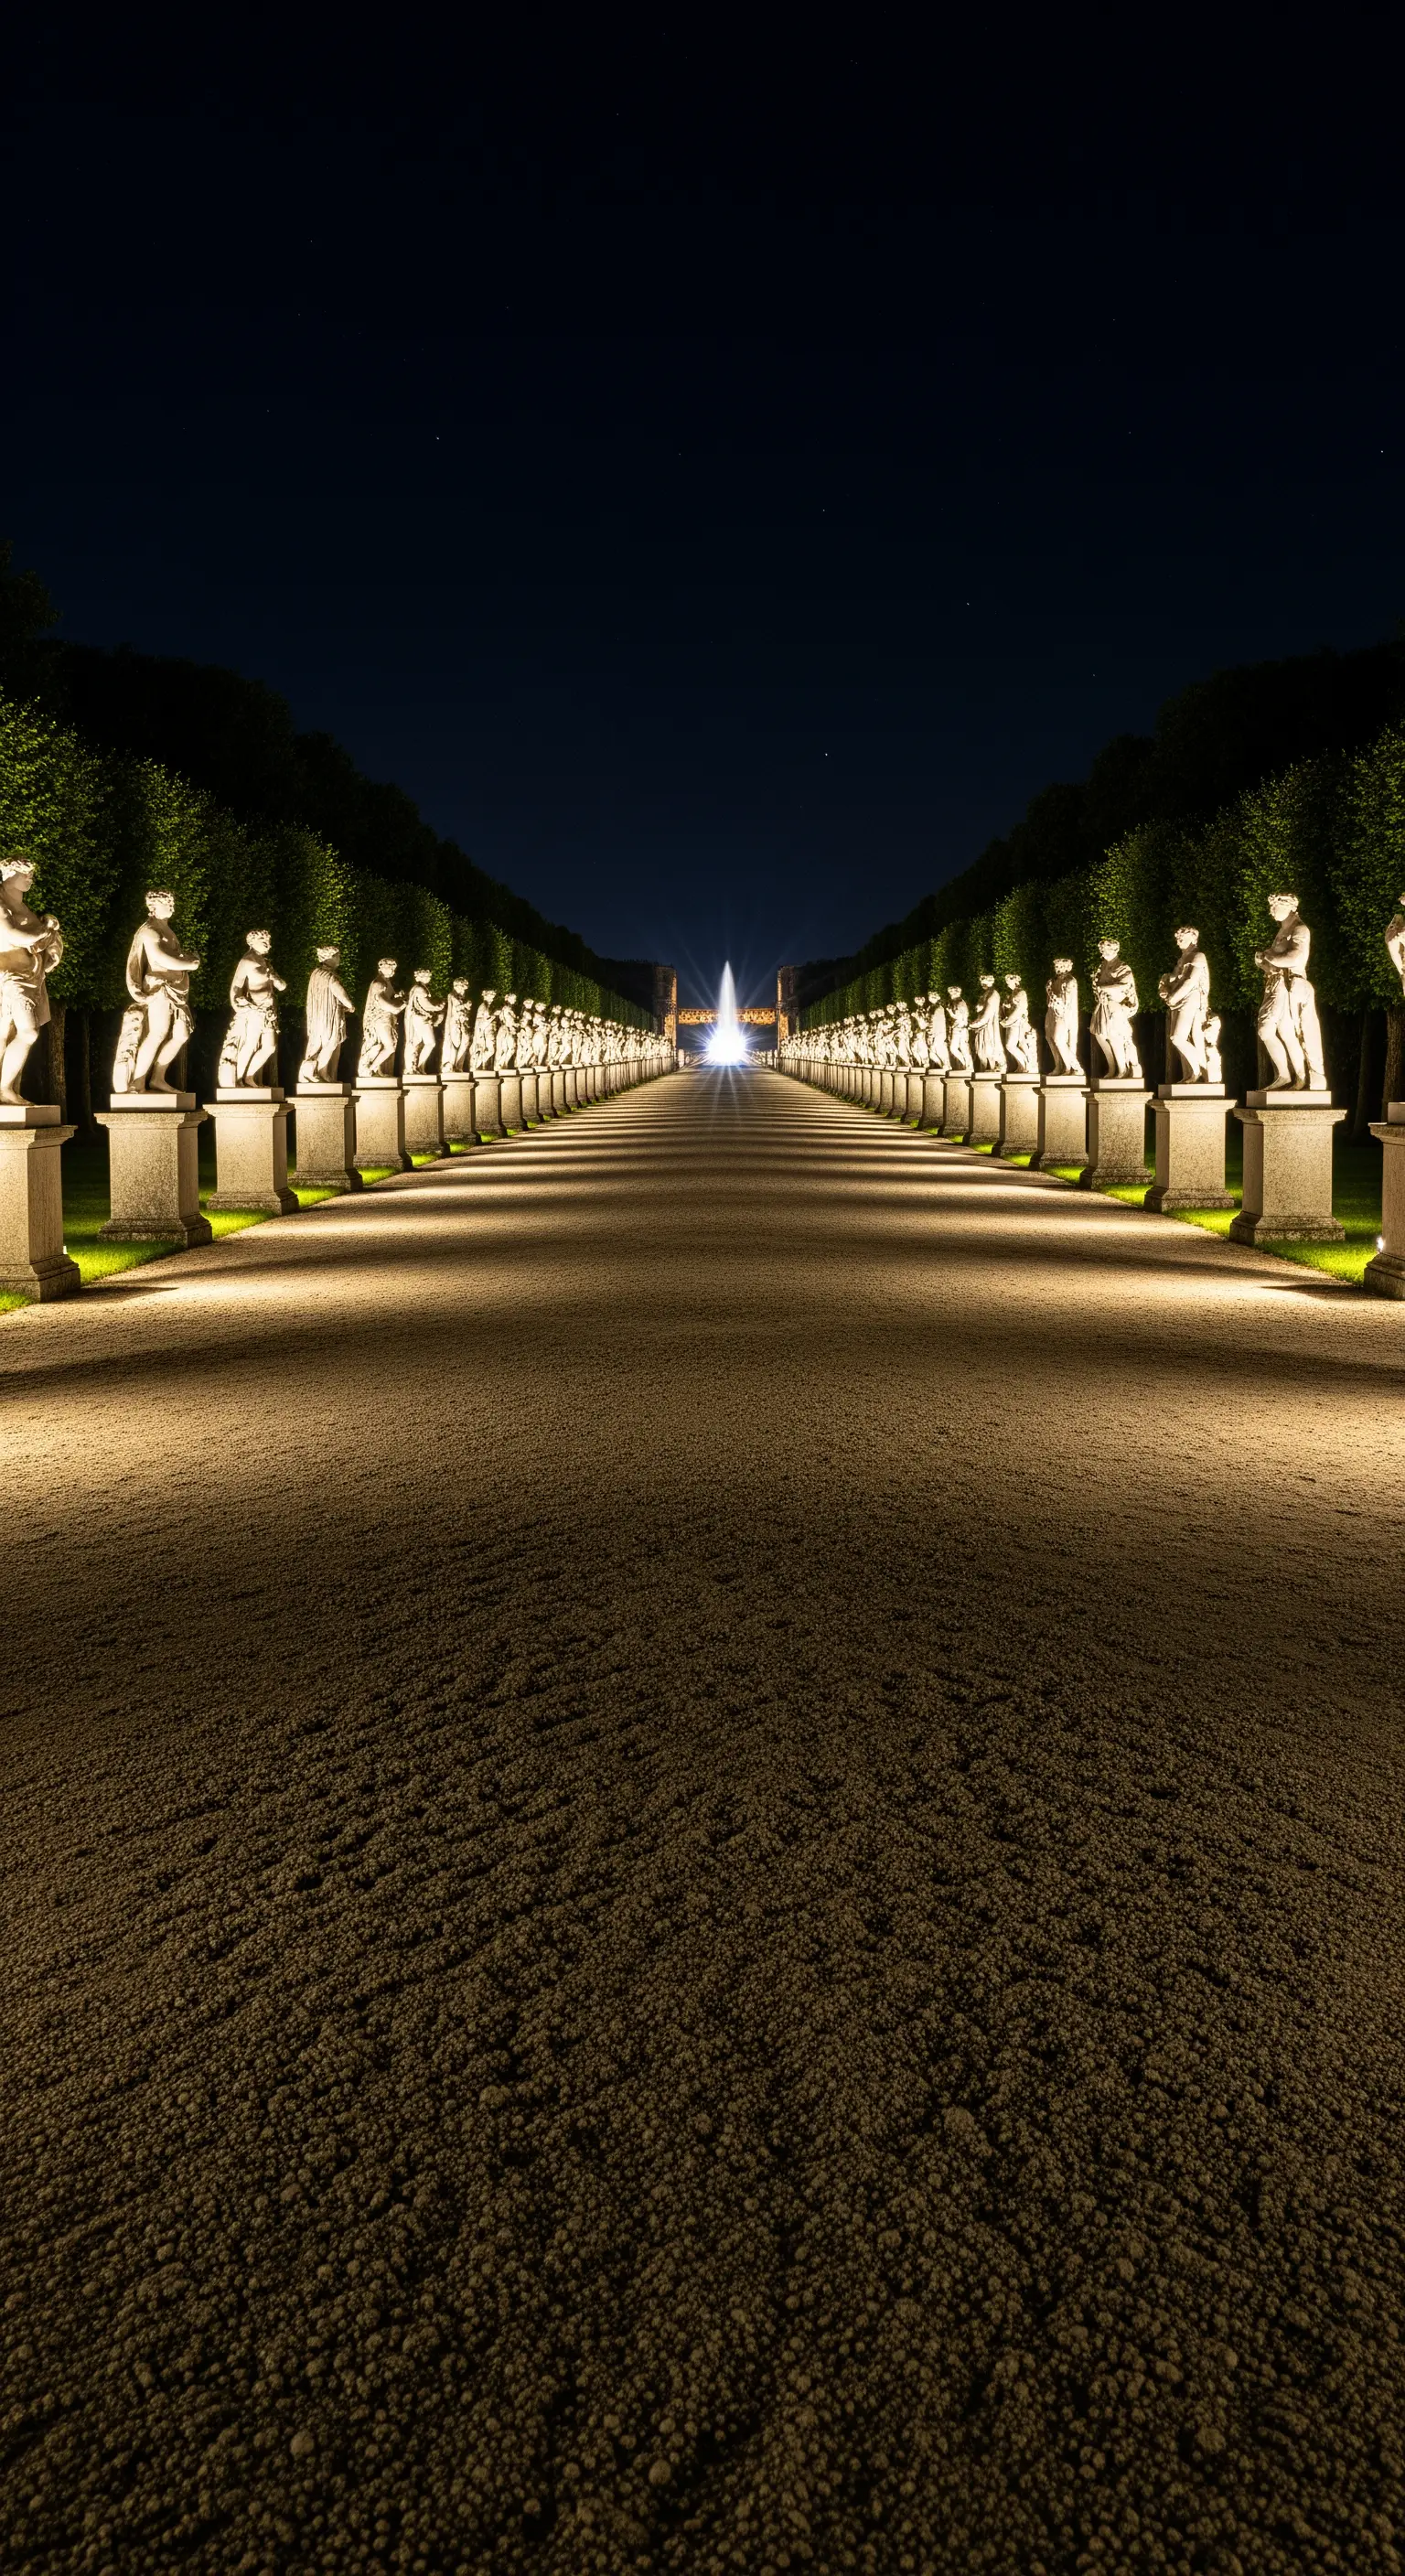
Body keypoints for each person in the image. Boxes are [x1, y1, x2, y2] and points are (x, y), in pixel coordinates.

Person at [113, 889, 201, 1094]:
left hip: (177, 989)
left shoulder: (167, 930)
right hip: (159, 987)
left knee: (182, 1034)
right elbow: (159, 958)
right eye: (167, 902)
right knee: (157, 1033)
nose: (172, 905)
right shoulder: (149, 930)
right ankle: (137, 1081)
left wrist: (187, 959)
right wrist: (189, 964)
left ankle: (158, 1078)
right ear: (153, 906)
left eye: (172, 902)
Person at [0, 854, 63, 1106]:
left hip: (32, 979)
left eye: (30, 872)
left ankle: (8, 1089)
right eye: (23, 871)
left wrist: (52, 942)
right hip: (11, 978)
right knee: (27, 1032)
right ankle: (4, 1089)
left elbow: (39, 942)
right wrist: (46, 930)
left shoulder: (26, 909)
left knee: (11, 1034)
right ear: (7, 874)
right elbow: (11, 934)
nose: (30, 876)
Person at [1254, 894, 1325, 1090]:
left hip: (1289, 984)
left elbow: (1296, 957)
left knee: (1267, 1029)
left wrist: (1271, 957)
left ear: (1289, 907)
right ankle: (1297, 1078)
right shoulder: (1283, 930)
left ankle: (1288, 1076)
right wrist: (1264, 963)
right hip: (1277, 982)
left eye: (1274, 906)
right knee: (1287, 1033)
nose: (1271, 911)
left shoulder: (1300, 928)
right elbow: (1275, 963)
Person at [218, 930, 285, 1089]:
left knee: (270, 1047)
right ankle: (239, 1079)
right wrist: (238, 1006)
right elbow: (236, 985)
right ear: (252, 942)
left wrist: (273, 977)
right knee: (250, 1044)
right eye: (264, 941)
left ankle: (249, 1076)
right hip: (254, 1009)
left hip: (269, 1011)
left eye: (269, 941)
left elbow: (282, 986)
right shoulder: (247, 961)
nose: (268, 944)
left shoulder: (266, 963)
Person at [1158, 928, 1212, 1081]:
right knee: (1183, 1039)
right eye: (1178, 937)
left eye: (1183, 936)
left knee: (1178, 1038)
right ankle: (1191, 1074)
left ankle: (1199, 1070)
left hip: (1191, 1000)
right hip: (1179, 1001)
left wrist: (1174, 997)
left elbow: (1191, 981)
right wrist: (1165, 989)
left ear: (1194, 939)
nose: (1179, 939)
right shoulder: (1181, 960)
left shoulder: (1198, 956)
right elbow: (1172, 981)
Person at [300, 945, 357, 1082]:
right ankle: (319, 1071)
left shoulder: (316, 973)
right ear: (330, 957)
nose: (339, 960)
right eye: (338, 956)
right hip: (328, 1015)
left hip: (320, 1015)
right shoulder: (327, 975)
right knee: (331, 1042)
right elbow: (338, 990)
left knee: (323, 1043)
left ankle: (319, 1072)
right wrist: (350, 1005)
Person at [1089, 939, 1142, 1079]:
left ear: (1115, 950)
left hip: (1116, 1006)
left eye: (1106, 950)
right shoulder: (1101, 968)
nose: (1103, 953)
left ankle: (1123, 1069)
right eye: (1102, 950)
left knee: (1115, 1037)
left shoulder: (1123, 967)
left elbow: (1124, 985)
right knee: (1100, 1036)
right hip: (1103, 1006)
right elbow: (1097, 986)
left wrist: (1103, 988)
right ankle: (1112, 1068)